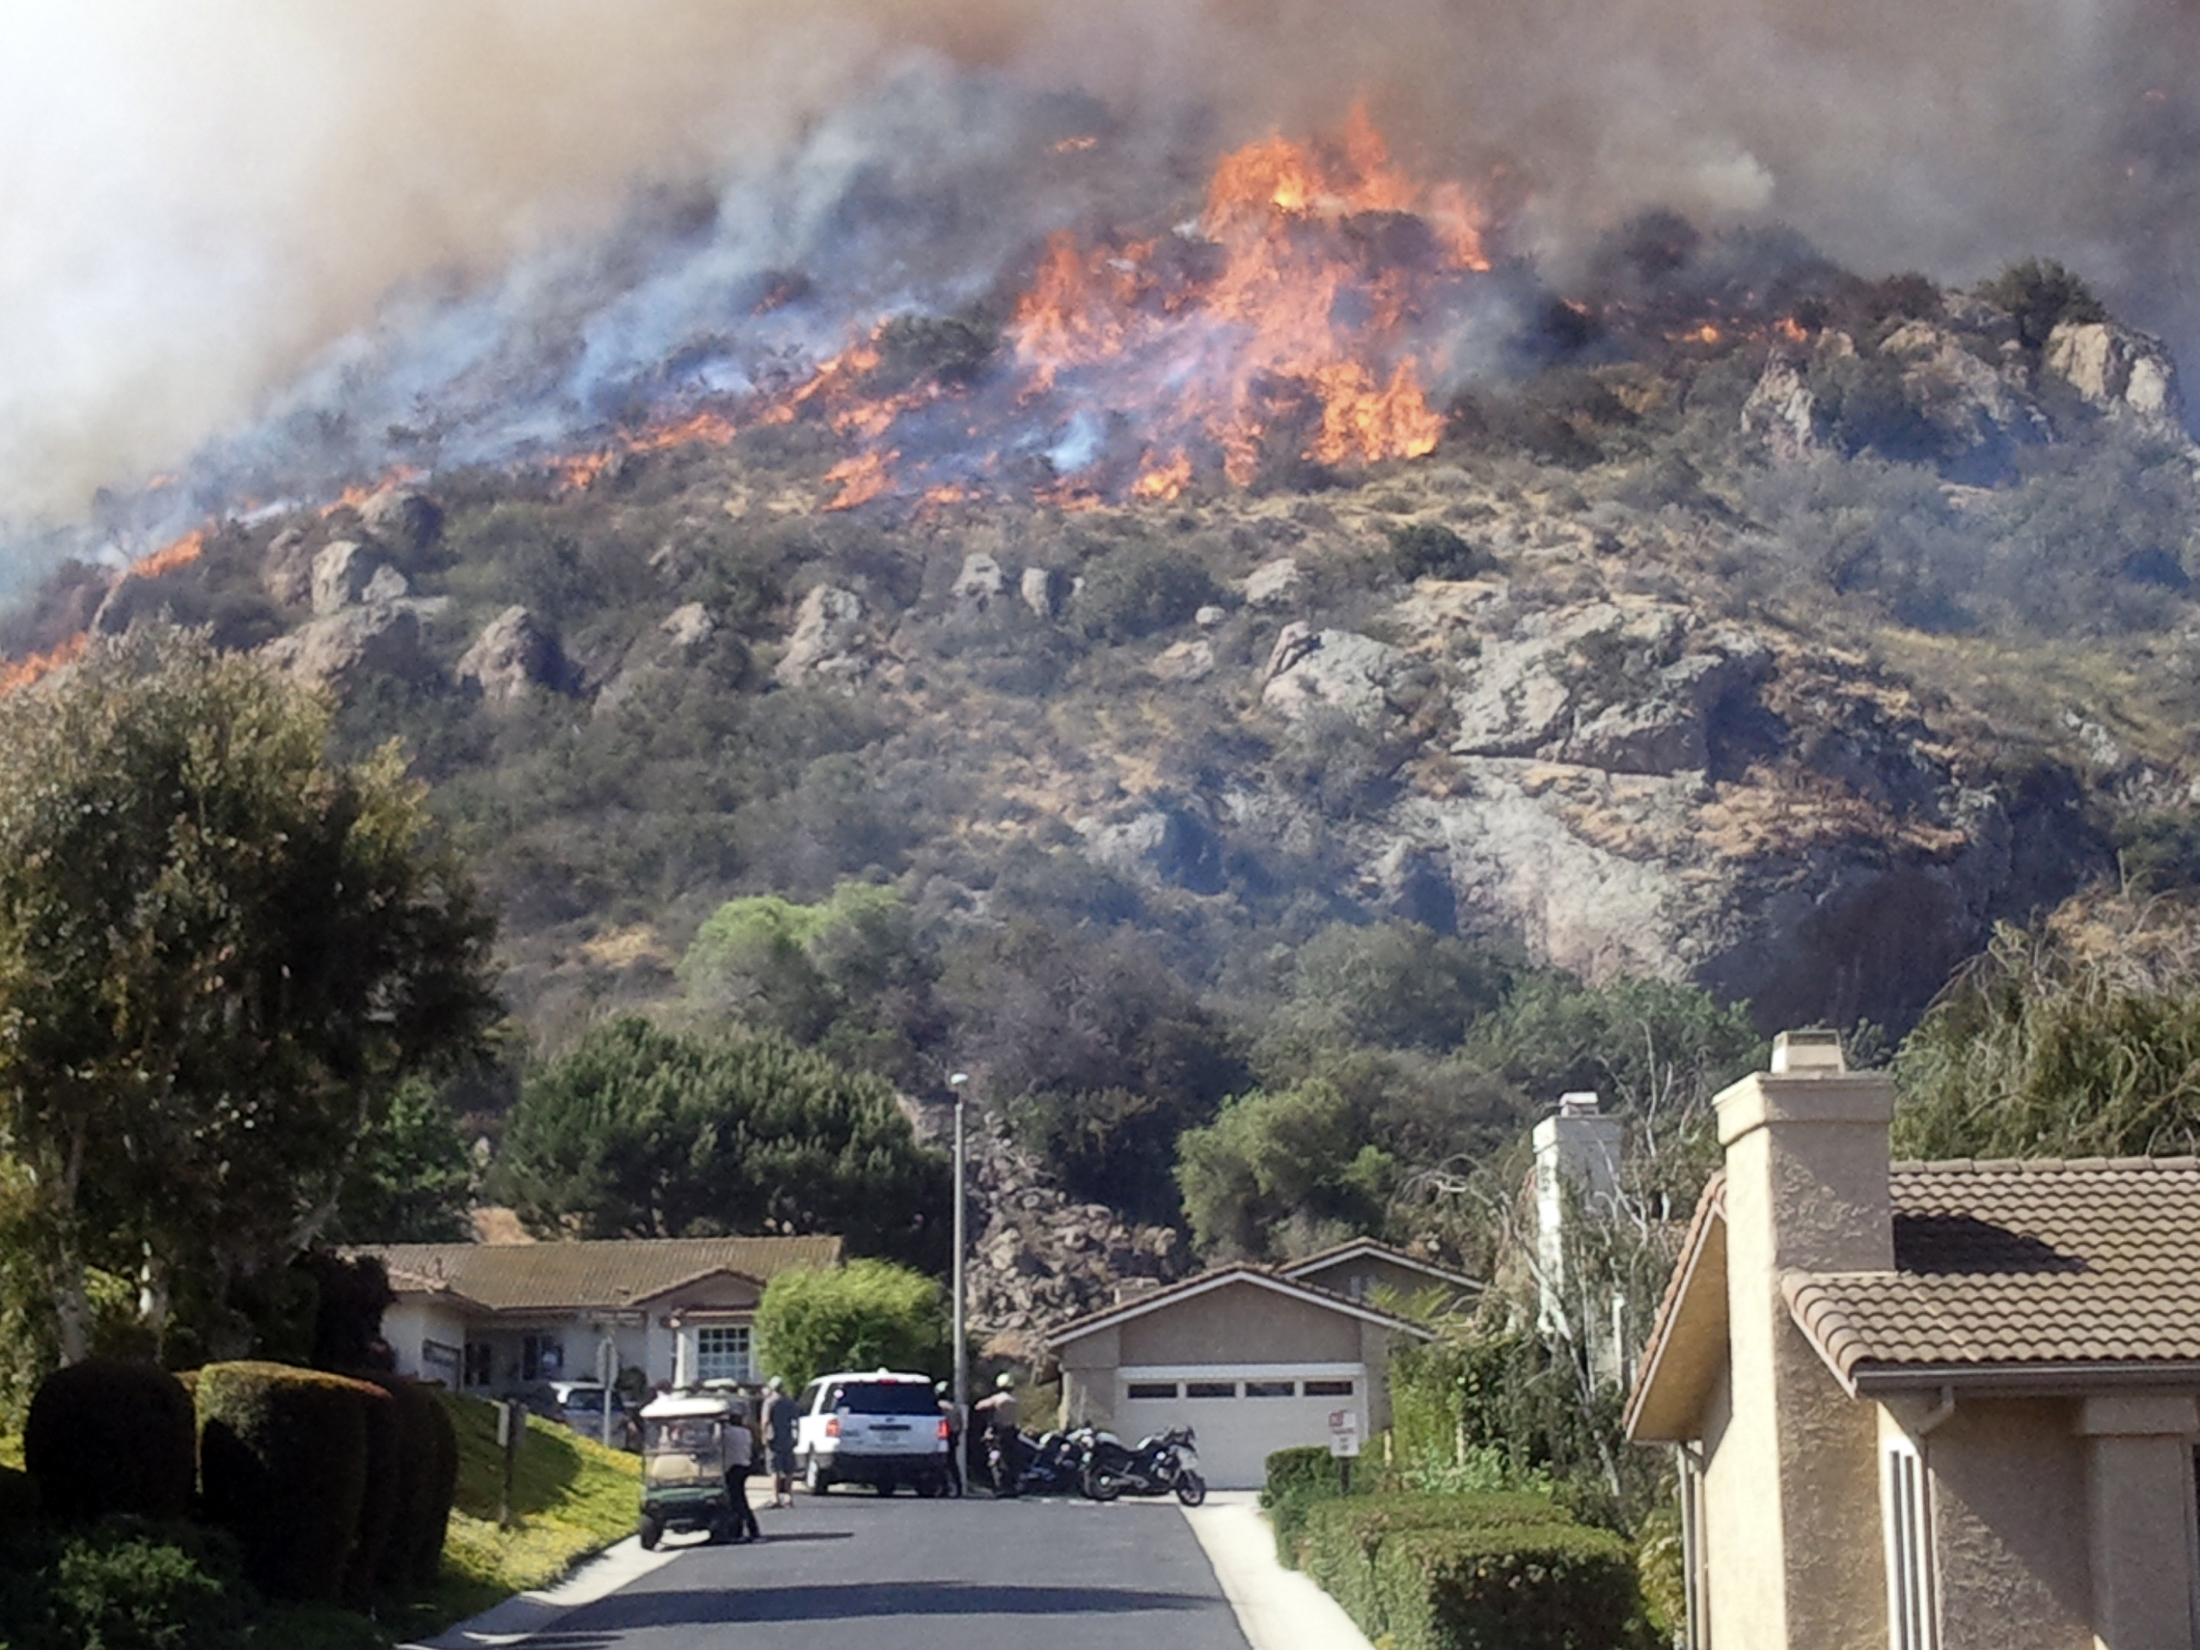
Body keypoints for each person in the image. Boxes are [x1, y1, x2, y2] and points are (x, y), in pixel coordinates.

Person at [973, 1371, 1021, 1494]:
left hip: (999, 1432)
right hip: (1012, 1431)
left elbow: (978, 1406)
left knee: (998, 1459)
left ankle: (1000, 1485)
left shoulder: (997, 1399)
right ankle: (1011, 1486)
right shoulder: (1014, 1400)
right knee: (1011, 1459)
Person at [723, 1403, 762, 1541]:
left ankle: (747, 1531)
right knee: (739, 1499)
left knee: (737, 1501)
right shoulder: (746, 1433)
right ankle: (741, 1530)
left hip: (732, 1468)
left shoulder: (726, 1434)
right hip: (744, 1466)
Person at [764, 1375, 800, 1508]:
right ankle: (789, 1496)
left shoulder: (770, 1402)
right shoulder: (790, 1402)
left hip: (773, 1439)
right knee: (789, 1470)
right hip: (788, 1438)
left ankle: (775, 1497)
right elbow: (796, 1421)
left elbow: (765, 1421)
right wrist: (797, 1437)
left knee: (774, 1469)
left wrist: (763, 1436)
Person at [935, 1380, 966, 1497]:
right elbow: (961, 1425)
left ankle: (944, 1487)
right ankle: (959, 1487)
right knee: (952, 1463)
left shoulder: (938, 1406)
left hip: (941, 1436)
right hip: (953, 1435)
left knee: (940, 1463)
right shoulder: (955, 1407)